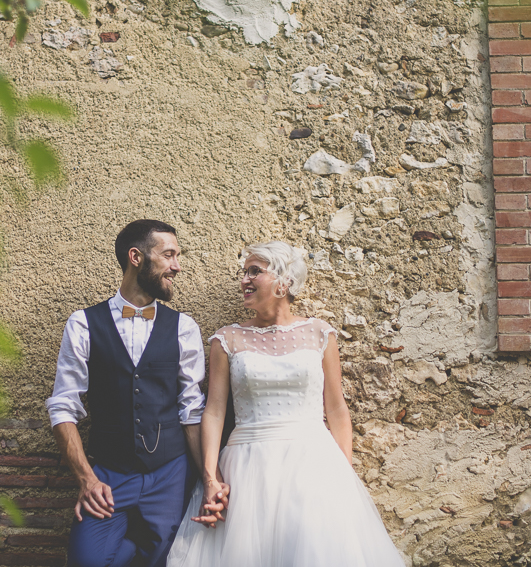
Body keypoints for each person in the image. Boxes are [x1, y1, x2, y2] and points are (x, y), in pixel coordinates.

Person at [167, 241, 407, 567]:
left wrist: (342, 473)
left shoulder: (320, 334)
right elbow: (215, 411)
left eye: (255, 272)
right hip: (247, 465)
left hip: (313, 462)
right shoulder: (227, 340)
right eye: (243, 272)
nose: (244, 280)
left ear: (284, 282)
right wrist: (211, 477)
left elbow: (336, 409)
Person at [46, 220, 224, 567]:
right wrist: (86, 478)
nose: (177, 265)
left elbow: (191, 409)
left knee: (169, 559)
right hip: (109, 474)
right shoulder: (82, 324)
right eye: (169, 255)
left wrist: (207, 479)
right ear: (136, 257)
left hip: (170, 473)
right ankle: (130, 546)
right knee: (87, 562)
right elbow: (64, 406)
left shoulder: (184, 328)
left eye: (178, 256)